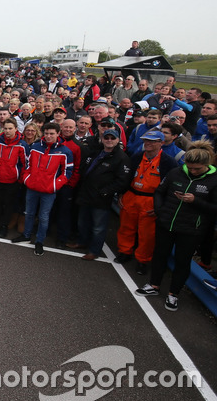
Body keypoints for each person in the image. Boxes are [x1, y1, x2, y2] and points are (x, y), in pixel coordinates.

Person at [136, 142, 217, 312]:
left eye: (197, 169)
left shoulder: (214, 180)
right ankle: (153, 284)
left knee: (182, 261)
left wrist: (196, 201)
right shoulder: (176, 172)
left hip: (191, 229)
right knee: (159, 254)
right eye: (190, 167)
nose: (193, 171)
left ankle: (174, 293)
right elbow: (160, 191)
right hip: (166, 222)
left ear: (207, 165)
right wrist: (159, 210)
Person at [114, 130, 177, 274]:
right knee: (126, 227)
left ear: (161, 143)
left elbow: (171, 187)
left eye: (152, 141)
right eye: (146, 140)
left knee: (147, 234)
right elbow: (125, 177)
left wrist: (160, 206)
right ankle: (125, 252)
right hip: (132, 195)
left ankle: (143, 260)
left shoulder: (168, 162)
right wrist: (121, 195)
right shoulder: (136, 157)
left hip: (151, 200)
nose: (148, 143)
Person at [12, 122, 73, 256]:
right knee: (29, 213)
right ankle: (26, 236)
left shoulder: (65, 151)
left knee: (44, 217)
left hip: (49, 191)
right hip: (32, 187)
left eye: (52, 134)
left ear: (58, 134)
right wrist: (27, 179)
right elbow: (27, 165)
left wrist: (55, 185)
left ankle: (40, 241)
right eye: (46, 133)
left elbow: (67, 172)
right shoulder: (35, 147)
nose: (49, 136)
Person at [73, 128, 132, 260]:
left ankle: (94, 251)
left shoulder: (121, 158)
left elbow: (122, 181)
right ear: (102, 139)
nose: (109, 140)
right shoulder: (97, 152)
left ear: (118, 140)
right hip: (86, 193)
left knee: (98, 227)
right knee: (83, 222)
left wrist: (105, 192)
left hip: (101, 198)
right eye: (107, 138)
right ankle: (82, 242)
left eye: (112, 138)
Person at [0, 118, 26, 238]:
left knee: (8, 205)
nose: (7, 131)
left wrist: (19, 178)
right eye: (5, 128)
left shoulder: (21, 144)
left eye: (10, 128)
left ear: (16, 129)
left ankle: (4, 226)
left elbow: (24, 164)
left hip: (12, 180)